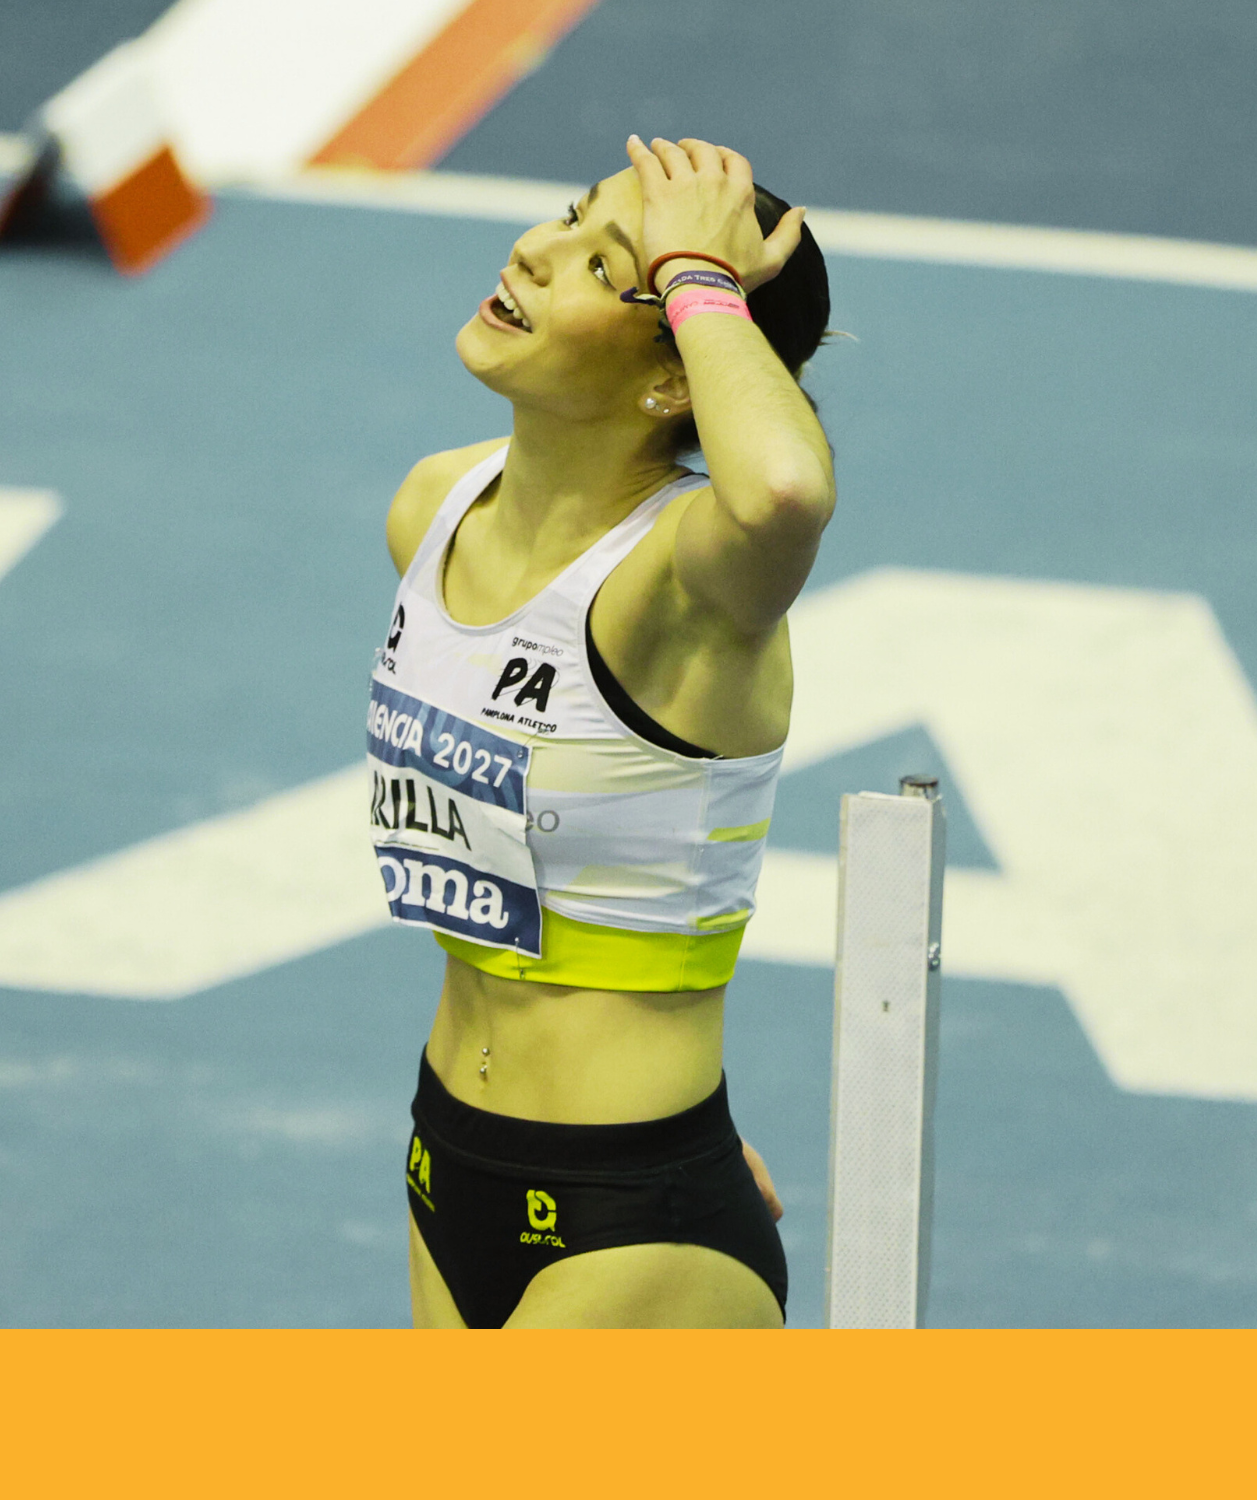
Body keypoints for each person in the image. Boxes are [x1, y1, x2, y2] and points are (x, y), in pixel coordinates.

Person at [369, 134, 833, 1328]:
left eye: (599, 263)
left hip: (631, 1213)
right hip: (447, 1158)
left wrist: (696, 274)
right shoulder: (434, 509)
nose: (533, 248)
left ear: (674, 376)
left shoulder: (687, 589)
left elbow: (781, 486)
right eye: (566, 217)